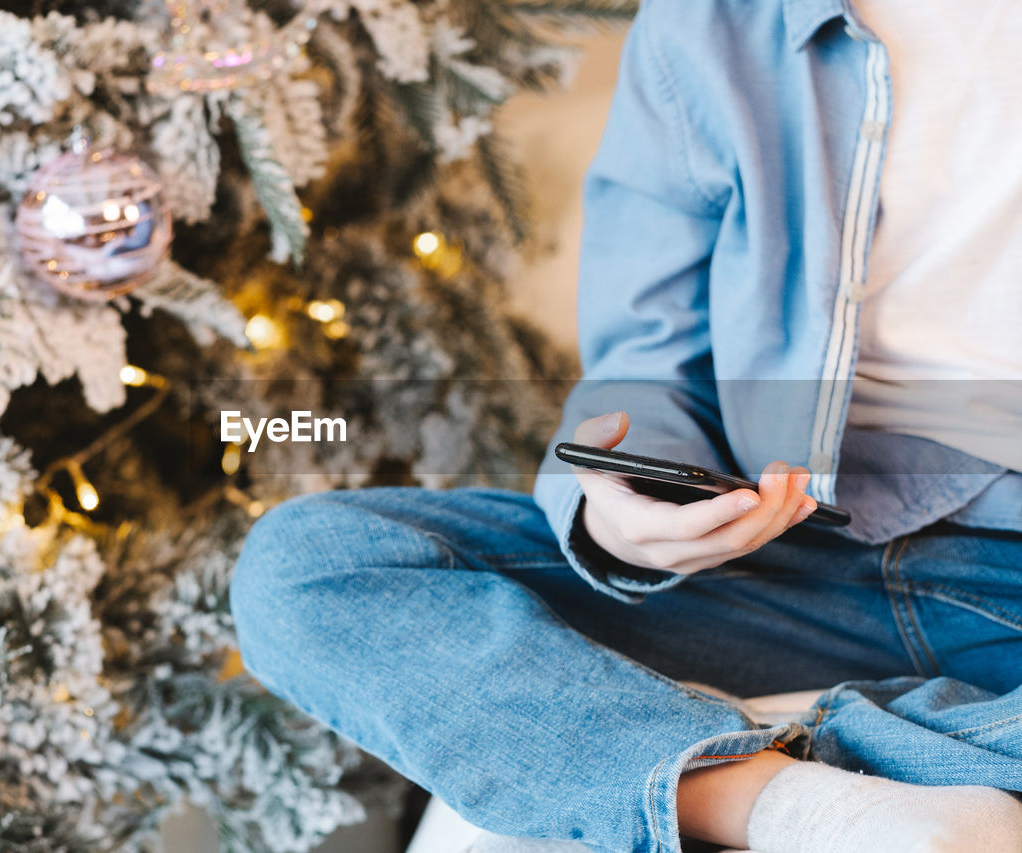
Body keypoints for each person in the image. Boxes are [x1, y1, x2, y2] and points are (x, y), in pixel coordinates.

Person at [230, 0, 1022, 850]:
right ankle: (809, 806)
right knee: (308, 567)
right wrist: (626, 507)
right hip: (800, 553)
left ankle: (823, 753)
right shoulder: (710, 27)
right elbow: (647, 360)